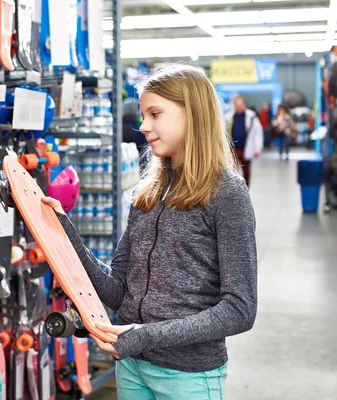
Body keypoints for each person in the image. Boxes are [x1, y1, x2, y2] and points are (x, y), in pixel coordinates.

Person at [42, 65, 258, 400]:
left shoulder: (226, 194)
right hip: (132, 369)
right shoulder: (148, 193)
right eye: (144, 115)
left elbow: (240, 309)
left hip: (188, 378)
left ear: (193, 114)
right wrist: (64, 230)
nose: (143, 126)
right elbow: (118, 291)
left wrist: (146, 335)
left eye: (155, 114)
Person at [225, 96, 264, 187]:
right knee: (231, 172)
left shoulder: (251, 117)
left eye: (240, 104)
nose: (238, 106)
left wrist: (258, 148)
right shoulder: (229, 117)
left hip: (246, 148)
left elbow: (258, 133)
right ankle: (233, 191)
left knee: (246, 171)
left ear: (244, 105)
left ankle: (246, 189)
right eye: (236, 105)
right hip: (233, 149)